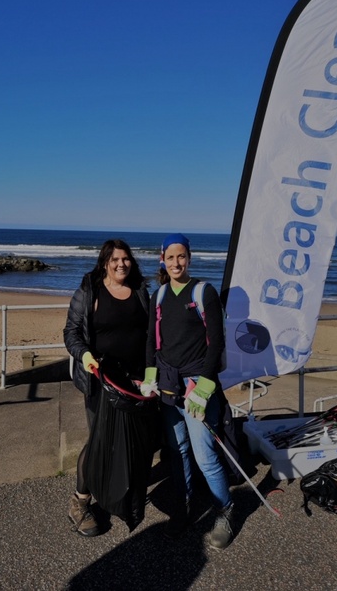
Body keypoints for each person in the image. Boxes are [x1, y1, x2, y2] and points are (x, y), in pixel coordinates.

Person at [142, 233, 235, 549]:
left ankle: (225, 510)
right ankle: (182, 508)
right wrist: (149, 377)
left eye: (181, 257)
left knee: (204, 455)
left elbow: (217, 342)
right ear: (162, 260)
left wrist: (204, 388)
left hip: (198, 386)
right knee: (178, 450)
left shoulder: (203, 291)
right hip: (168, 386)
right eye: (170, 257)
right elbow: (151, 342)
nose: (176, 262)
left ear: (189, 258)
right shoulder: (159, 296)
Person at [64, 239, 151, 536]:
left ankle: (119, 492)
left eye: (126, 259)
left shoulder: (140, 291)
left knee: (132, 441)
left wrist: (149, 372)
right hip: (100, 380)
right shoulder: (89, 292)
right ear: (104, 262)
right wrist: (84, 354)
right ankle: (80, 501)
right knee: (99, 440)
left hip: (134, 382)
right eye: (115, 259)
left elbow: (150, 333)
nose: (121, 264)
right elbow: (71, 332)